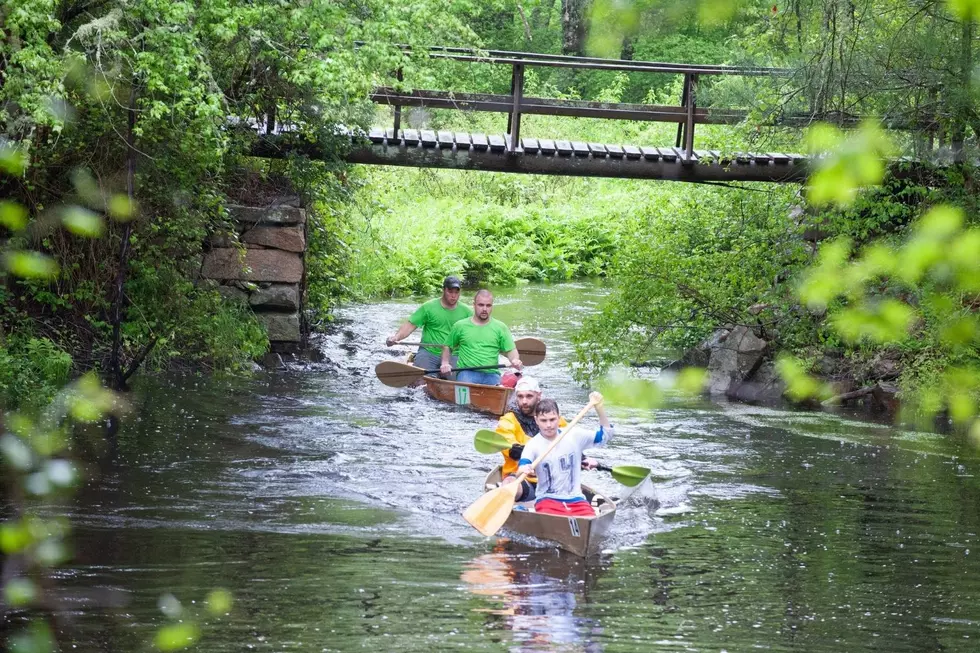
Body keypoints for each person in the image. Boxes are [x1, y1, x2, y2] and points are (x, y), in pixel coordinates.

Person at [516, 392, 612, 517]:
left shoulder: (574, 435)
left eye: (552, 419)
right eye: (543, 420)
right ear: (536, 420)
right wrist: (524, 469)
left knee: (590, 520)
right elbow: (521, 468)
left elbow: (606, 435)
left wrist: (599, 408)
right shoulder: (533, 445)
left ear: (559, 418)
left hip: (576, 499)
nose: (548, 425)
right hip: (547, 499)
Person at [494, 376, 568, 503]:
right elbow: (511, 450)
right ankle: (506, 496)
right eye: (520, 396)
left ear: (539, 395)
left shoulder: (554, 419)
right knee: (511, 485)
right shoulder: (508, 420)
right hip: (522, 478)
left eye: (529, 396)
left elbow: (570, 444)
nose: (524, 401)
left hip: (555, 480)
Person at [386, 275, 472, 376]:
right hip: (429, 352)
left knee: (459, 381)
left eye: (456, 292)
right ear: (443, 290)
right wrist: (396, 338)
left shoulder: (467, 312)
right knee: (421, 383)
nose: (453, 296)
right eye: (450, 291)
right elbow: (410, 325)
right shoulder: (428, 307)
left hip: (454, 354)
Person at [440, 289, 522, 385]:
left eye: (488, 305)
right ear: (474, 305)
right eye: (481, 305)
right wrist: (445, 363)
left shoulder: (501, 327)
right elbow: (447, 346)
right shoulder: (460, 326)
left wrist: (515, 360)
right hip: (466, 373)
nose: (484, 309)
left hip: (492, 374)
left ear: (492, 306)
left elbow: (510, 350)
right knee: (465, 393)